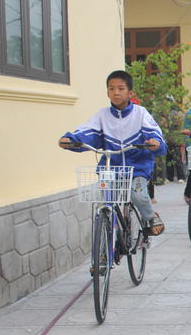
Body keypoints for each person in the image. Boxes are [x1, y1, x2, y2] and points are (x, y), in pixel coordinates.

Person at [58, 70, 166, 236]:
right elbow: (87, 132)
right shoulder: (102, 116)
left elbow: (154, 133)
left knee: (138, 197)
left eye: (121, 88)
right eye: (111, 88)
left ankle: (150, 216)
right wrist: (71, 140)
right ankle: (106, 246)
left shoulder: (140, 113)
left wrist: (154, 142)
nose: (116, 92)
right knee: (107, 201)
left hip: (136, 167)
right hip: (111, 168)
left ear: (130, 93)